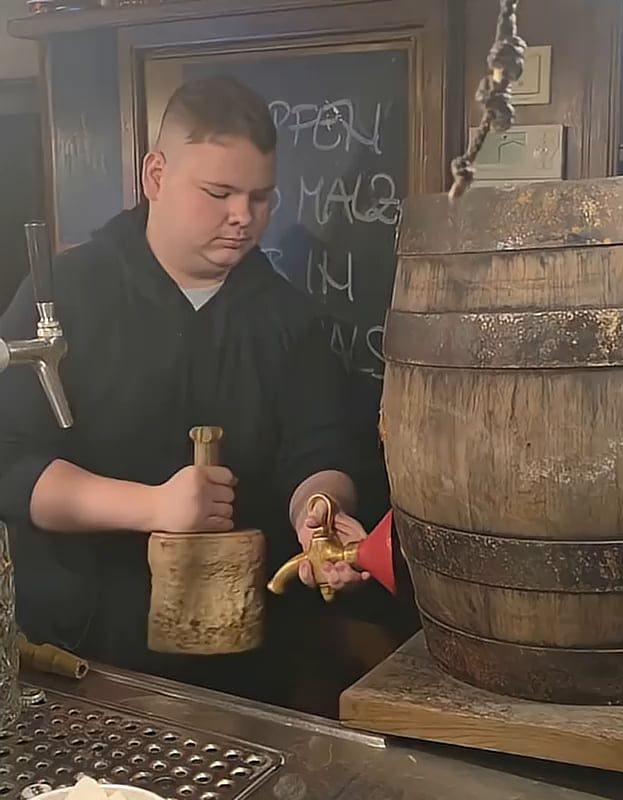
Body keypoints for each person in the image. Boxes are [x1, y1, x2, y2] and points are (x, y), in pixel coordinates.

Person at [0, 76, 371, 701]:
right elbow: (9, 460)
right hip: (80, 657)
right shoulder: (63, 294)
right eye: (218, 192)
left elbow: (320, 452)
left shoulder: (290, 319)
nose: (242, 217)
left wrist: (320, 517)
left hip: (250, 666)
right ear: (155, 174)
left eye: (260, 197)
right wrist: (153, 507)